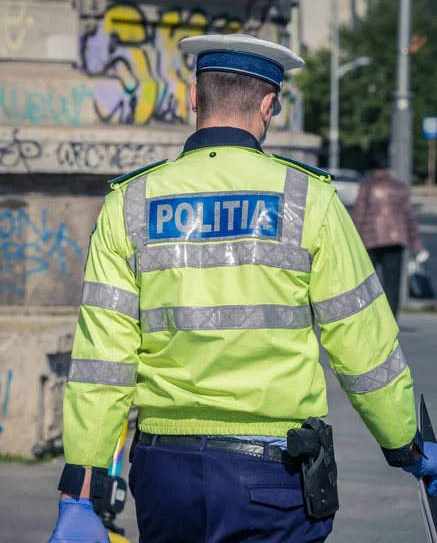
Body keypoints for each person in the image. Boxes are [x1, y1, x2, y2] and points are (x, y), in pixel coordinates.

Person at [48, 35, 437, 543]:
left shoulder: (131, 202)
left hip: (166, 476)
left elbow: (102, 360)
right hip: (273, 475)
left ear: (193, 98)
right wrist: (406, 441)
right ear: (268, 105)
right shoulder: (308, 199)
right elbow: (361, 342)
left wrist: (82, 488)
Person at [353, 155, 429, 317]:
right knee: (392, 285)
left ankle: (368, 316)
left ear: (372, 170)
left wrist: (353, 240)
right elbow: (409, 217)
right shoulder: (399, 187)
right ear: (388, 170)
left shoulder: (367, 187)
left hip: (370, 241)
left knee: (366, 282)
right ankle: (391, 319)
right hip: (396, 241)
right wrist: (417, 246)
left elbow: (359, 215)